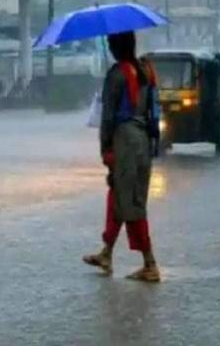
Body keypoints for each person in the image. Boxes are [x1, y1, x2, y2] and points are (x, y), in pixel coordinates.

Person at [82, 31, 161, 282]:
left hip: (124, 139)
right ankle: (106, 252)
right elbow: (155, 109)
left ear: (117, 47)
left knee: (131, 201)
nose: (109, 46)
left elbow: (107, 117)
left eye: (110, 43)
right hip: (143, 140)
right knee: (118, 195)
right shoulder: (147, 71)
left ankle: (150, 263)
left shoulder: (116, 76)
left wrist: (105, 149)